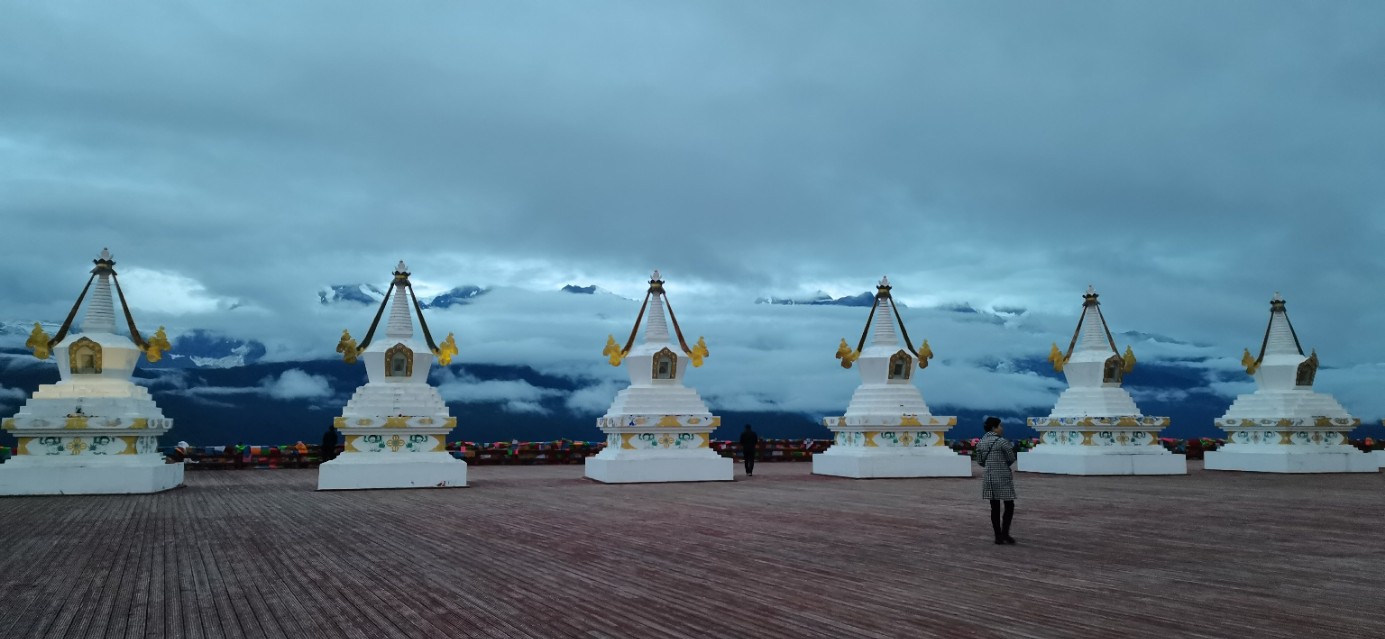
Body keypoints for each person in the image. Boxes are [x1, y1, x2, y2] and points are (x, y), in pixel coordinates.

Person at [974, 416, 1017, 544]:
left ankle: (997, 536)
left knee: (994, 507)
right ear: (994, 427)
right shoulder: (1002, 442)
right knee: (1009, 505)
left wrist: (990, 466)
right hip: (1003, 476)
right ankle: (1005, 533)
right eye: (1000, 426)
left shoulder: (981, 442)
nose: (1001, 428)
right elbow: (1011, 457)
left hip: (988, 476)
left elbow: (980, 461)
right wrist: (1002, 465)